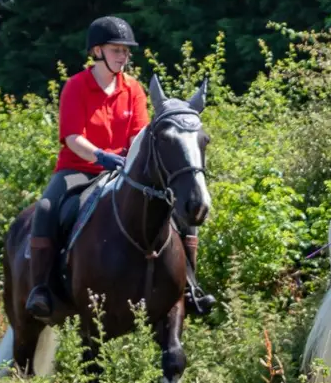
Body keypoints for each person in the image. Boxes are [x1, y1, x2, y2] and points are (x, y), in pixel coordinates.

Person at [25, 17, 215, 321]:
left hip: (125, 170)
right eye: (116, 50)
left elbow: (139, 135)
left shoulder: (134, 89)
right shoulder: (76, 86)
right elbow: (72, 138)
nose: (123, 56)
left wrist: (129, 162)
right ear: (97, 51)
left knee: (179, 211)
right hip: (80, 168)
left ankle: (189, 287)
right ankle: (41, 289)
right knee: (46, 208)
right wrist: (101, 157)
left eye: (126, 51)